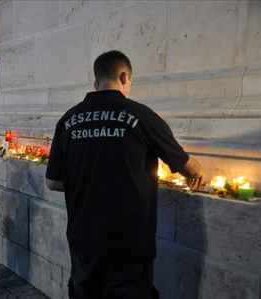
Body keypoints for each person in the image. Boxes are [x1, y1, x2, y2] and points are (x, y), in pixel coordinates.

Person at [45, 50, 204, 298]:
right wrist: (199, 170)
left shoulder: (68, 120)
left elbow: (53, 182)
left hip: (83, 239)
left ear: (96, 84)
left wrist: (89, 181)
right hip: (128, 243)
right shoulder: (142, 116)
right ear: (124, 76)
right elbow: (191, 169)